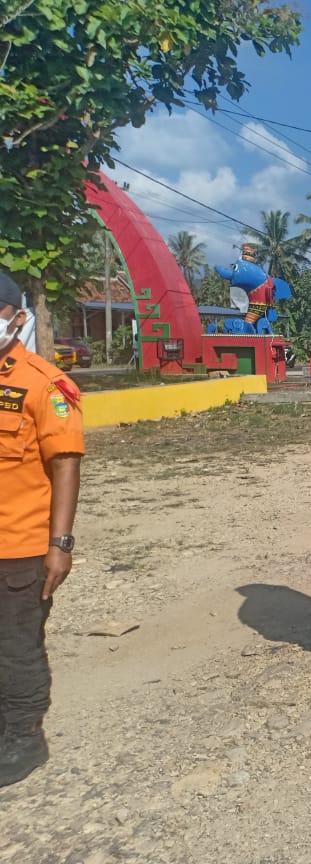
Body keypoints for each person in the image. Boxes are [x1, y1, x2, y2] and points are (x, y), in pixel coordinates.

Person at [0, 271, 84, 786]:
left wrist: (60, 545)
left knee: (16, 644)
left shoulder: (43, 384)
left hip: (22, 548)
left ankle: (24, 738)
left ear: (19, 317)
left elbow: (66, 464)